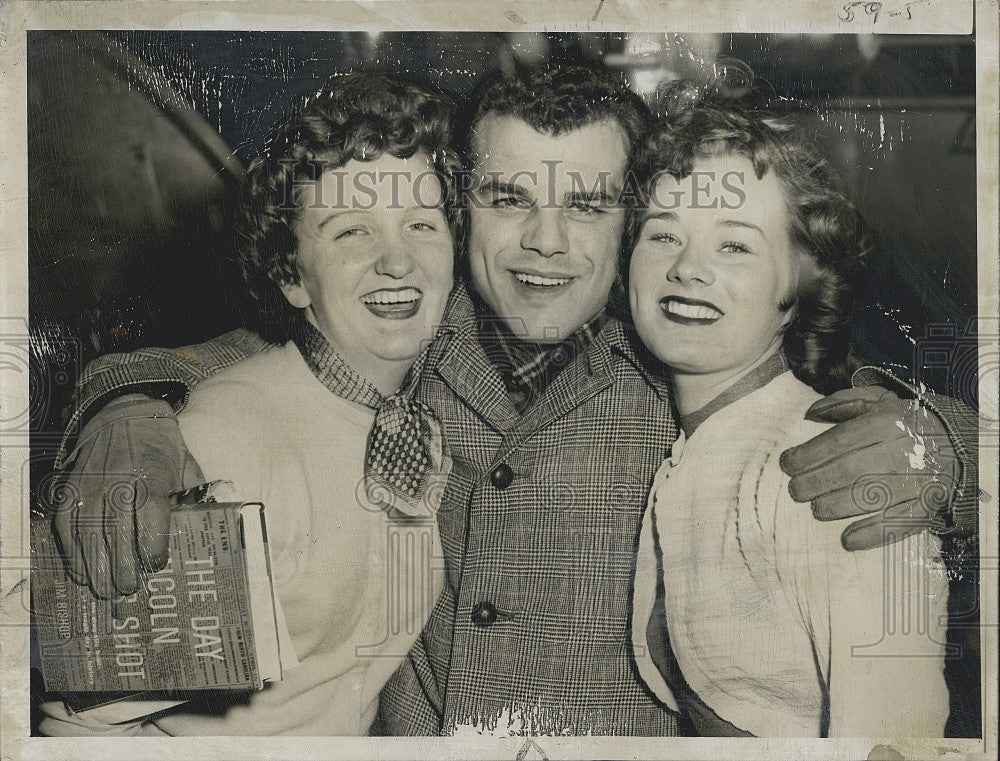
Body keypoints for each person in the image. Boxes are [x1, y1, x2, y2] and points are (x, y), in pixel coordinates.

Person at [48, 61, 977, 736]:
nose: (544, 243)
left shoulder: (692, 350)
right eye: (505, 198)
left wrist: (952, 445)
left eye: (587, 204)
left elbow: (854, 403)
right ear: (461, 206)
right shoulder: (403, 332)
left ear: (637, 218)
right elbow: (258, 356)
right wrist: (129, 402)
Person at [40, 71, 458, 735]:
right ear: (292, 275)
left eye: (421, 223)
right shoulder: (226, 437)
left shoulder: (417, 424)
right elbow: (79, 724)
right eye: (352, 232)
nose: (398, 261)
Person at [629, 89, 950, 736]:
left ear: (801, 282)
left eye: (735, 247)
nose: (687, 268)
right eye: (663, 234)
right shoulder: (694, 443)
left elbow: (899, 743)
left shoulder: (832, 465)